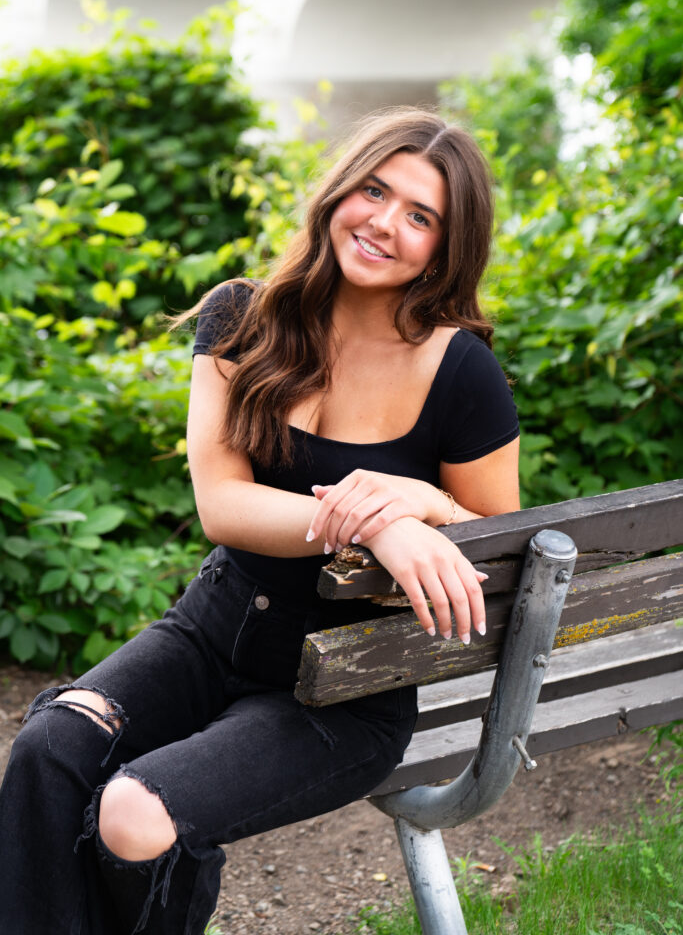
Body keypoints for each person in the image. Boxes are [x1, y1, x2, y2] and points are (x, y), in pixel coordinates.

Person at [0, 108, 520, 934]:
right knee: (50, 747)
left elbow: (498, 546)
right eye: (375, 190)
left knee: (135, 814)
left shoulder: (458, 370)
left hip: (343, 689)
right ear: (339, 189)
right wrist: (369, 524)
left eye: (420, 216)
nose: (385, 223)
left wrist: (424, 503)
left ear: (446, 247)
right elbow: (223, 505)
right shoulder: (242, 318)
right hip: (212, 634)